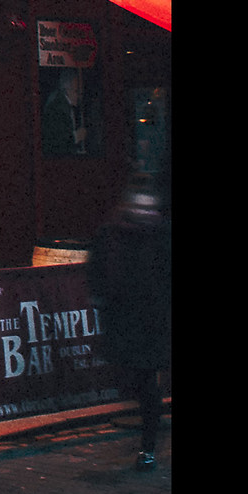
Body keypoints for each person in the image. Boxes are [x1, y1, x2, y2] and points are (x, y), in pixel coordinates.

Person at [87, 175, 171, 470]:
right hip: (124, 321)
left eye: (150, 208)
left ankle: (147, 448)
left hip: (153, 323)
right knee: (133, 380)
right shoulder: (111, 234)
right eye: (140, 206)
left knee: (147, 384)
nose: (145, 213)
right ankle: (147, 438)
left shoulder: (160, 235)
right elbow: (97, 272)